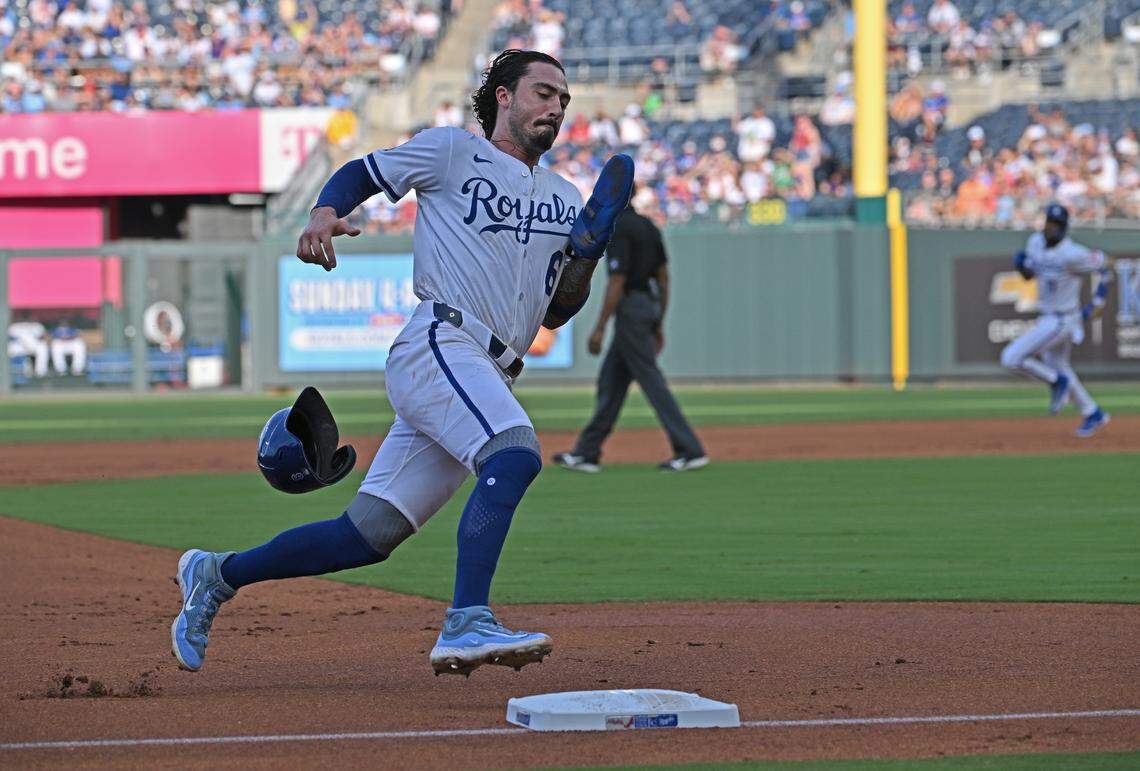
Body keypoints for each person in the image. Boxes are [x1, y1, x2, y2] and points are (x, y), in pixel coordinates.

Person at [169, 50, 635, 676]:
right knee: (514, 452)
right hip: (441, 342)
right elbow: (363, 170)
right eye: (544, 93)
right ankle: (467, 620)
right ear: (503, 95)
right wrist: (325, 212)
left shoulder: (562, 194)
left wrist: (585, 252)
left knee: (366, 535)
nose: (556, 106)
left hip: (490, 367)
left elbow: (556, 313)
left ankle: (216, 573)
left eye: (563, 100)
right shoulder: (452, 151)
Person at [552, 193, 707, 474]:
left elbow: (618, 280)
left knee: (650, 380)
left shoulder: (620, 227)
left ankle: (690, 450)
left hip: (631, 309)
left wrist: (599, 327)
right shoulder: (648, 226)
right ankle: (586, 453)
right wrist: (658, 320)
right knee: (611, 381)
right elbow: (663, 278)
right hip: (647, 304)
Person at [1000, 203, 1111, 437]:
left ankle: (1054, 381)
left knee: (1011, 358)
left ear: (1063, 227)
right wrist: (1022, 267)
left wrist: (1099, 301)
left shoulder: (1073, 253)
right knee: (1060, 365)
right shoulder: (1035, 242)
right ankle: (1093, 412)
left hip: (1062, 320)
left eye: (1055, 224)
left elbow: (1106, 265)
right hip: (1049, 316)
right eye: (1048, 222)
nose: (1050, 227)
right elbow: (1030, 274)